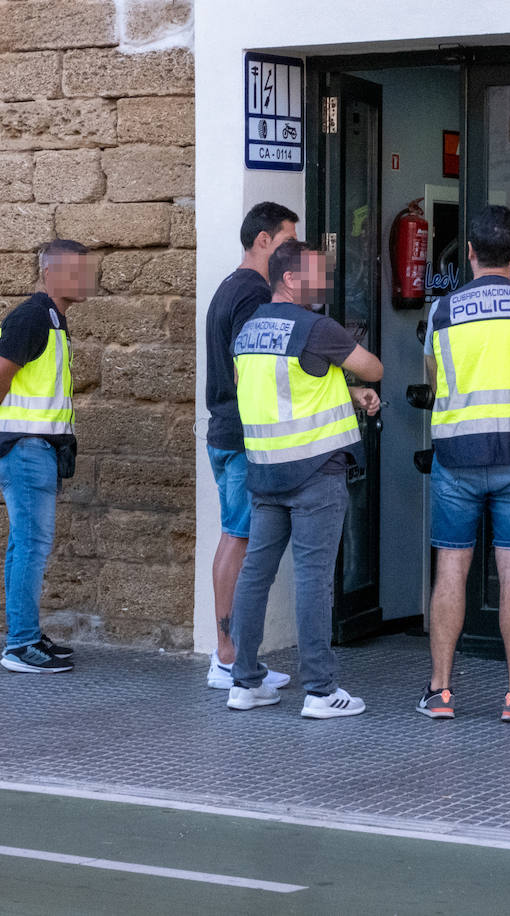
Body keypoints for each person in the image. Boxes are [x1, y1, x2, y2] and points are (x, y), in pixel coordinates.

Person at [227, 239, 382, 719]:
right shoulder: (317, 327)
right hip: (316, 470)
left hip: (265, 470)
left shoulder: (248, 329)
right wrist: (356, 382)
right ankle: (320, 690)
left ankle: (244, 681)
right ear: (291, 279)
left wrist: (345, 392)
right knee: (314, 578)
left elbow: (275, 387)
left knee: (255, 574)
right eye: (318, 273)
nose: (326, 282)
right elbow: (373, 367)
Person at [417, 204, 510, 724]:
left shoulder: (442, 311)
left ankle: (440, 692)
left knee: (451, 567)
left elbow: (433, 377)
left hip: (458, 454)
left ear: (470, 252)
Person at [0, 239, 98, 674]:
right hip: (26, 449)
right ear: (49, 274)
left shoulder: (52, 321)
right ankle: (20, 644)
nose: (86, 279)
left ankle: (25, 635)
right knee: (32, 545)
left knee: (23, 543)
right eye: (76, 271)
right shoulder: (32, 318)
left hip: (32, 448)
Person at [203, 202, 300, 691]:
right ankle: (229, 658)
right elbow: (251, 365)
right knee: (239, 541)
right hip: (242, 436)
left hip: (225, 432)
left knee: (233, 537)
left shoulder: (229, 286)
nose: (295, 253)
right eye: (288, 241)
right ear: (264, 240)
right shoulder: (254, 292)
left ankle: (233, 656)